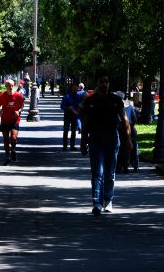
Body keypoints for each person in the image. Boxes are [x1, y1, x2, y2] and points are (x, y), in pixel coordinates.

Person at [80, 72, 131, 215]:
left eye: (106, 81)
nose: (104, 84)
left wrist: (128, 139)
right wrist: (83, 143)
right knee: (97, 172)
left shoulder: (116, 100)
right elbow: (86, 123)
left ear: (109, 83)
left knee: (109, 172)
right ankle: (96, 202)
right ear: (97, 83)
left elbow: (125, 120)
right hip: (95, 139)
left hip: (112, 138)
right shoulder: (90, 101)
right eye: (101, 81)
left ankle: (108, 200)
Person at [0, 78, 24, 163]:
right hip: (5, 120)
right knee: (6, 140)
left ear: (13, 86)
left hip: (15, 120)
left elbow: (22, 105)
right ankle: (7, 157)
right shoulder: (2, 95)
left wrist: (18, 111)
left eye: (12, 86)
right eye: (8, 86)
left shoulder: (18, 96)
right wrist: (0, 112)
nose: (10, 87)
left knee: (13, 138)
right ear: (5, 86)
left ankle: (13, 149)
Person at [117, 91, 140, 173]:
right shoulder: (129, 106)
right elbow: (134, 119)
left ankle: (119, 165)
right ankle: (126, 164)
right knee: (128, 146)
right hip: (129, 129)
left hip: (119, 129)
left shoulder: (116, 106)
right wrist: (131, 125)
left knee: (119, 146)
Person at [60, 81, 81, 149]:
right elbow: (62, 106)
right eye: (74, 88)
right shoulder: (67, 96)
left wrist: (78, 110)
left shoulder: (78, 96)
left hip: (74, 115)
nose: (76, 89)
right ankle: (65, 146)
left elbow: (80, 105)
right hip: (67, 115)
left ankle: (72, 146)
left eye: (76, 88)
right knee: (66, 131)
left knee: (73, 131)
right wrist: (68, 108)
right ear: (72, 88)